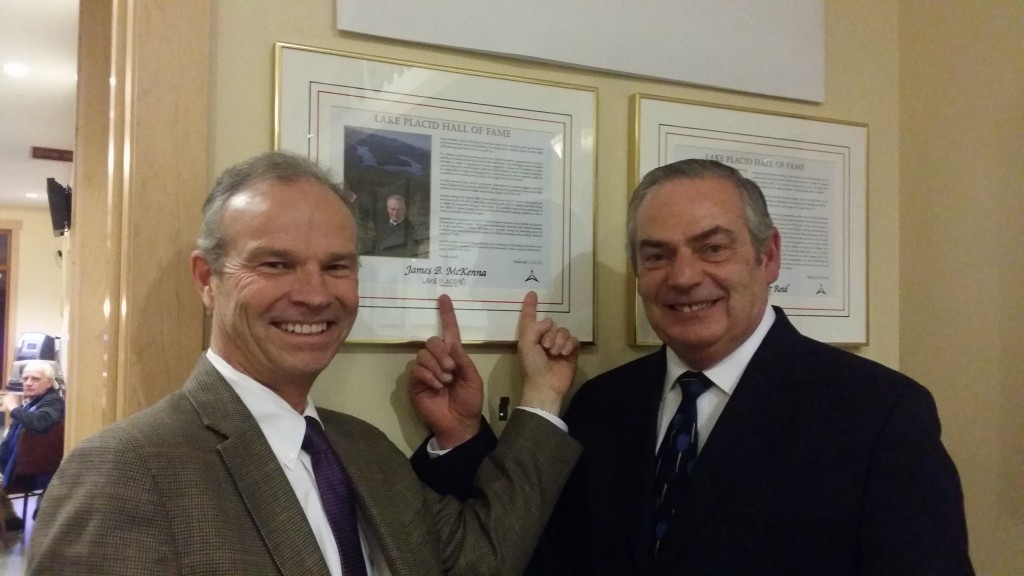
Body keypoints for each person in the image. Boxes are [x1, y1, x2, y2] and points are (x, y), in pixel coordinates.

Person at [28, 151, 582, 575]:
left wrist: (539, 397)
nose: (316, 296)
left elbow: (476, 559)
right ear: (207, 280)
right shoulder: (124, 471)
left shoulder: (364, 450)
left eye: (337, 266)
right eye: (276, 264)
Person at [412, 159, 974, 575]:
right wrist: (462, 434)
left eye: (712, 248)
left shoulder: (878, 414)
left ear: (768, 255)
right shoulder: (604, 404)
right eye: (657, 255)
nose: (683, 278)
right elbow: (539, 557)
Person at [0, 360, 65, 531]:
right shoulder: (33, 402)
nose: (28, 383)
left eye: (35, 379)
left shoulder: (53, 403)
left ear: (49, 382)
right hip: (16, 465)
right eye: (25, 378)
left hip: (32, 473)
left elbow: (40, 423)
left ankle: (10, 521)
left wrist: (13, 408)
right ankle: (11, 520)